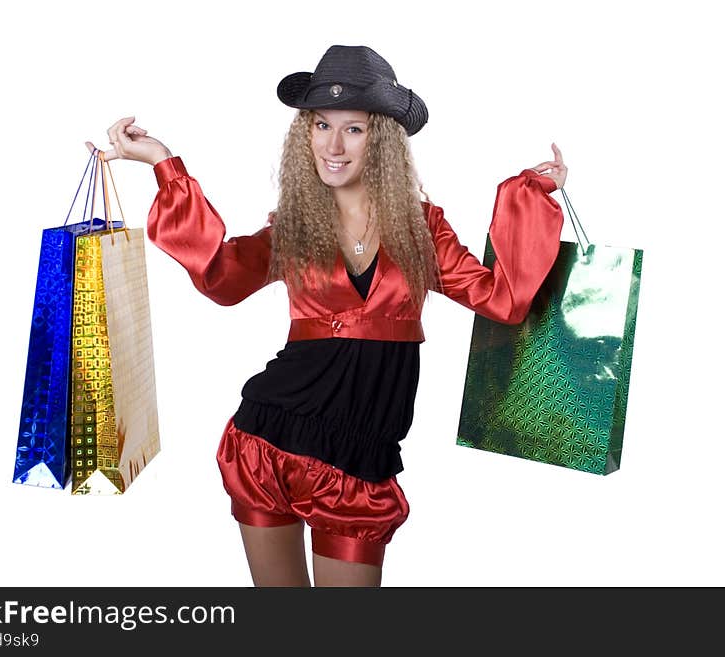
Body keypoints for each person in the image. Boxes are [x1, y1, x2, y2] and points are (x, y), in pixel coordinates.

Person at [88, 45, 567, 587]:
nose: (333, 145)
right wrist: (163, 164)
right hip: (267, 443)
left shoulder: (421, 228)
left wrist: (529, 194)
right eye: (320, 125)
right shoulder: (292, 227)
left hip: (360, 458)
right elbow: (221, 276)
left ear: (381, 140)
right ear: (305, 133)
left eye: (354, 129)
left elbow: (502, 300)